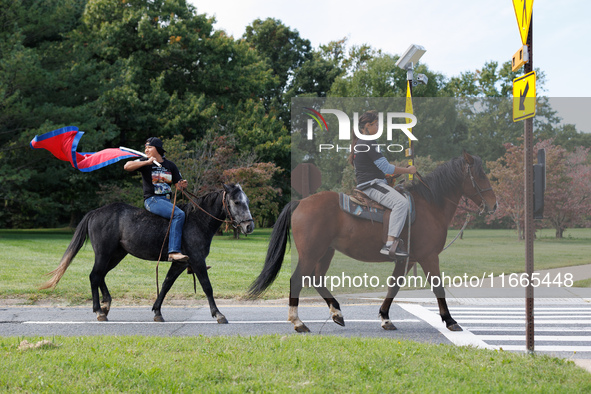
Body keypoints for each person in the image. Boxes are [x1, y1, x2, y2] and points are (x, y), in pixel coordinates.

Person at [349, 110, 416, 257]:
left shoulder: (361, 142)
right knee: (402, 203)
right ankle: (390, 244)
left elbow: (377, 169)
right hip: (371, 186)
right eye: (376, 124)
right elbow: (386, 167)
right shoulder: (367, 141)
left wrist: (387, 178)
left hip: (374, 183)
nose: (379, 127)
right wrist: (408, 170)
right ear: (368, 125)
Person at [124, 137, 189, 262]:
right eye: (145, 147)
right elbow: (127, 166)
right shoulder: (144, 162)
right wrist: (146, 162)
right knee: (179, 214)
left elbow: (178, 186)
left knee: (187, 218)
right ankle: (173, 252)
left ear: (157, 149)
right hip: (152, 200)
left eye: (149, 147)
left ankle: (189, 260)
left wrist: (183, 185)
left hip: (167, 201)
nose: (146, 150)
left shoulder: (170, 165)